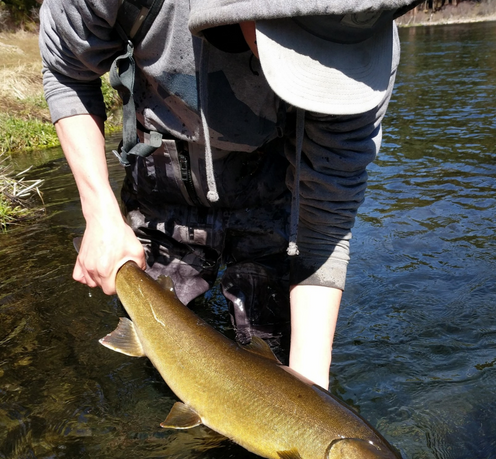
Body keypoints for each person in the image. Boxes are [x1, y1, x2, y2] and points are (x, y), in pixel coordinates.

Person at [39, 0, 415, 390]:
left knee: (279, 351)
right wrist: (100, 213)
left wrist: (310, 388)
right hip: (164, 185)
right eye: (301, 49)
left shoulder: (368, 43)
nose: (323, 68)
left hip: (272, 194)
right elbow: (66, 68)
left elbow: (324, 222)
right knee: (153, 346)